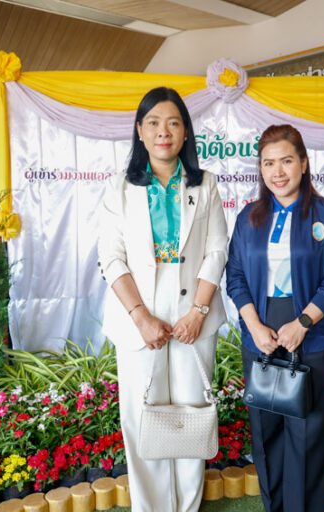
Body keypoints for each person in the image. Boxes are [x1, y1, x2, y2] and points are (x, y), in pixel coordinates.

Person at [97, 87, 228, 512]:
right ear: (140, 131)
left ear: (185, 131)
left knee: (191, 412)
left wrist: (198, 312)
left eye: (173, 123)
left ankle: (187, 506)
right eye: (153, 123)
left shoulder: (206, 184)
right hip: (139, 312)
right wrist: (140, 317)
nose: (163, 132)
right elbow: (110, 257)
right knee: (142, 414)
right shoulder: (119, 188)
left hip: (194, 311)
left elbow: (217, 250)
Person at [226, 124, 324, 512]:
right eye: (268, 163)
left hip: (311, 334)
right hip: (260, 333)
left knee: (308, 431)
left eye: (286, 161)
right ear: (260, 169)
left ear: (303, 163)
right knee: (266, 433)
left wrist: (303, 323)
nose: (277, 171)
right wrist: (253, 326)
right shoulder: (248, 218)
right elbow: (235, 276)